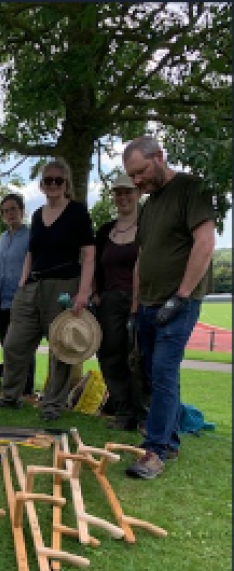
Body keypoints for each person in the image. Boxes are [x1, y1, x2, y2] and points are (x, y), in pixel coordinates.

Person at [122, 135, 216, 479]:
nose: (136, 182)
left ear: (159, 157)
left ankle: (155, 452)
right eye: (132, 176)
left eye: (141, 172)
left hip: (178, 302)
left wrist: (182, 295)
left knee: (162, 373)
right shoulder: (148, 206)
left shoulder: (192, 189)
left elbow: (205, 242)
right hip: (147, 303)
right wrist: (134, 307)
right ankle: (171, 440)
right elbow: (142, 257)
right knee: (155, 374)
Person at [0, 158, 95, 421]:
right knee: (14, 342)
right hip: (32, 286)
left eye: (57, 180)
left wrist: (83, 293)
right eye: (48, 180)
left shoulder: (77, 212)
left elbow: (89, 254)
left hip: (64, 285)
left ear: (66, 183)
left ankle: (52, 405)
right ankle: (10, 396)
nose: (52, 184)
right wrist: (23, 284)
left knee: (60, 348)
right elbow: (31, 252)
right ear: (41, 184)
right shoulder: (37, 215)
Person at [92, 173, 144, 431]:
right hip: (110, 301)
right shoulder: (104, 231)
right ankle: (123, 412)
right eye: (118, 193)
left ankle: (145, 414)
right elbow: (92, 265)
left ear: (138, 194)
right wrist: (96, 293)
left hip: (141, 299)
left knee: (139, 357)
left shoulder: (148, 226)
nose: (123, 197)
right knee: (111, 355)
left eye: (128, 192)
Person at [0, 193, 35, 396]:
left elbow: (32, 265)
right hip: (0, 300)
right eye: (5, 211)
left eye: (13, 209)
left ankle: (25, 387)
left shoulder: (30, 236)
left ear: (22, 211)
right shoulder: (2, 239)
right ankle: (11, 385)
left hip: (20, 298)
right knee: (6, 344)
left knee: (21, 344)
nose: (9, 214)